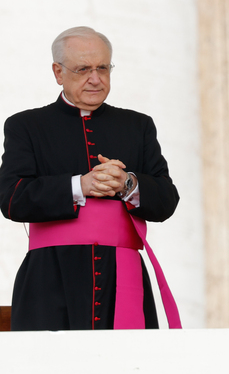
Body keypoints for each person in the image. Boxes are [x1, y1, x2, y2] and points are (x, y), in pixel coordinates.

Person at [0, 26, 180, 331]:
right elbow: (11, 198)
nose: (95, 78)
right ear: (58, 72)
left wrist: (127, 184)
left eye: (102, 68)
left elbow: (166, 199)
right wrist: (79, 185)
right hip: (50, 276)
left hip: (122, 276)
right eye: (83, 69)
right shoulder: (26, 126)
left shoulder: (138, 126)